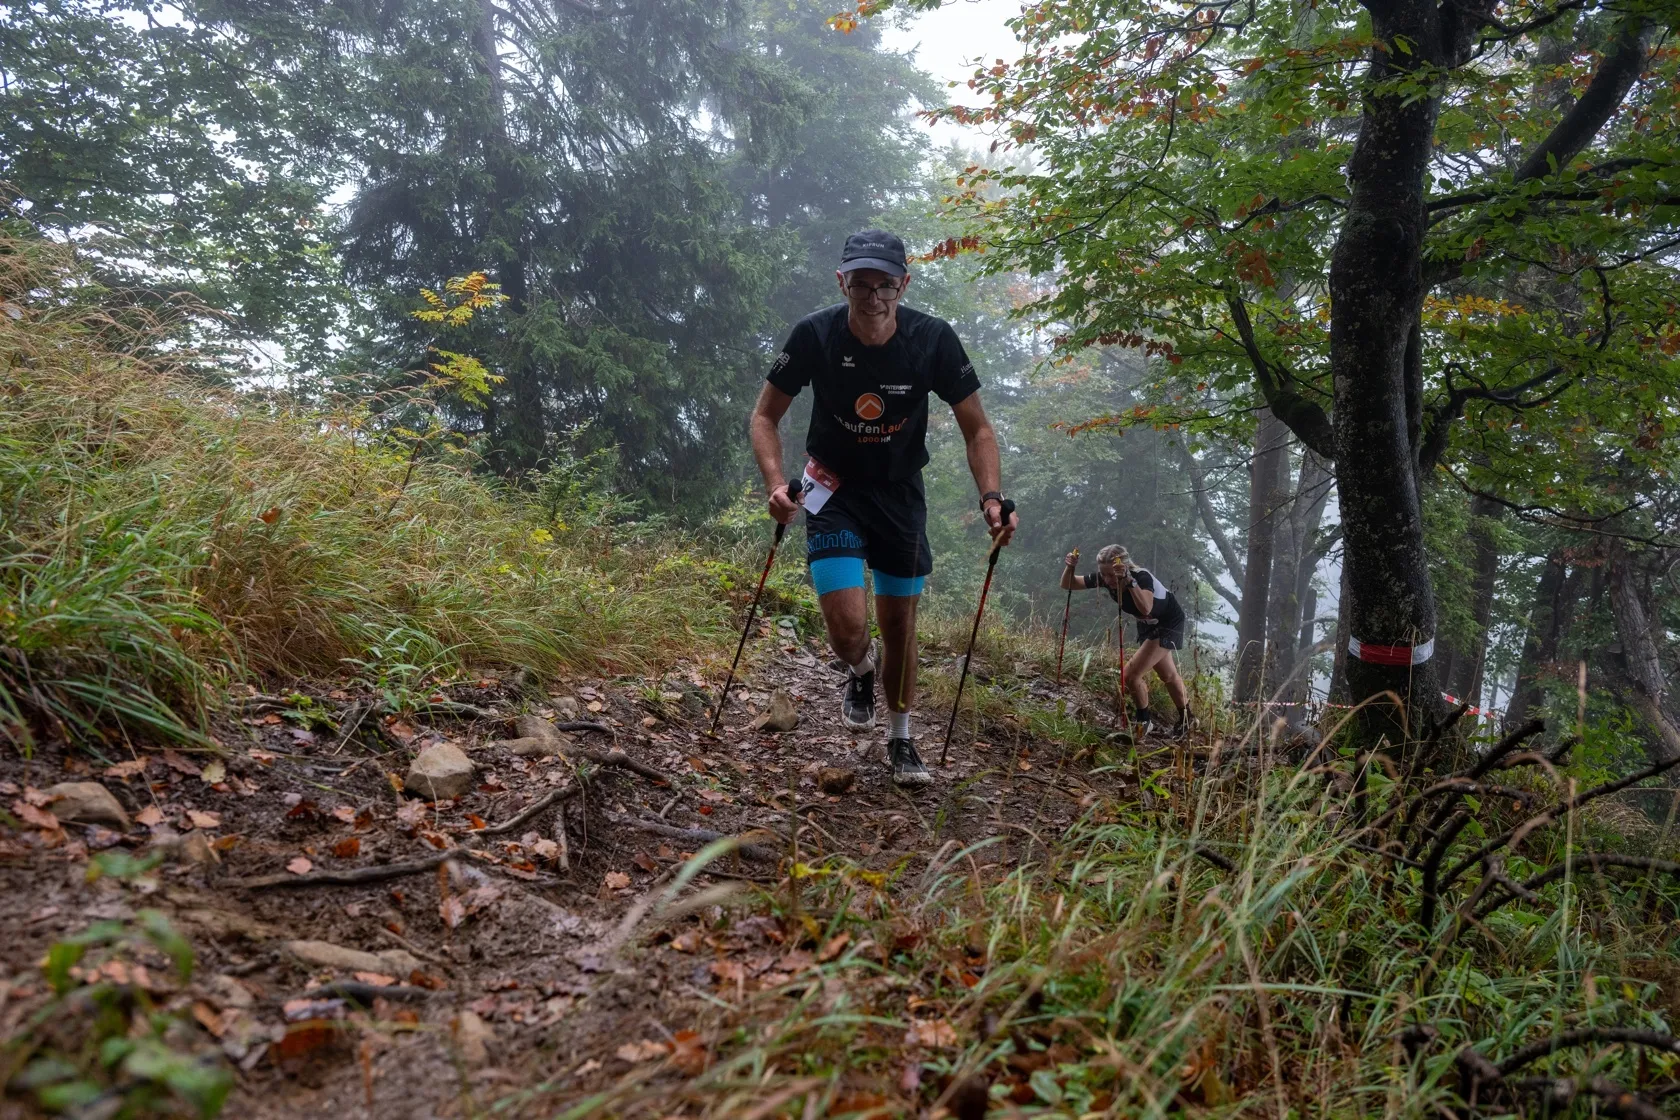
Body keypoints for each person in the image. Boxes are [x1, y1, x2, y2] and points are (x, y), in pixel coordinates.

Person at [750, 229, 1018, 787]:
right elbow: (764, 417)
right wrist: (777, 485)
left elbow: (979, 428)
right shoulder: (813, 335)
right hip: (832, 489)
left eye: (886, 285)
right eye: (862, 284)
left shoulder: (933, 339)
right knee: (848, 630)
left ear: (904, 285)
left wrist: (991, 496)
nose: (874, 296)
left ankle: (901, 739)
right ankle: (860, 670)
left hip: (899, 494)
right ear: (842, 281)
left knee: (899, 624)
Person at [1060, 544, 1192, 738]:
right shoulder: (1106, 578)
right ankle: (1188, 719)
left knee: (1130, 675)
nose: (1107, 580)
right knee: (1168, 676)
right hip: (1148, 623)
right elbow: (1068, 584)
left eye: (1111, 575)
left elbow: (1146, 607)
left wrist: (1129, 581)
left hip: (1168, 621)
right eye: (1103, 574)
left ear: (1125, 567)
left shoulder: (1141, 577)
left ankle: (1143, 724)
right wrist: (1070, 567)